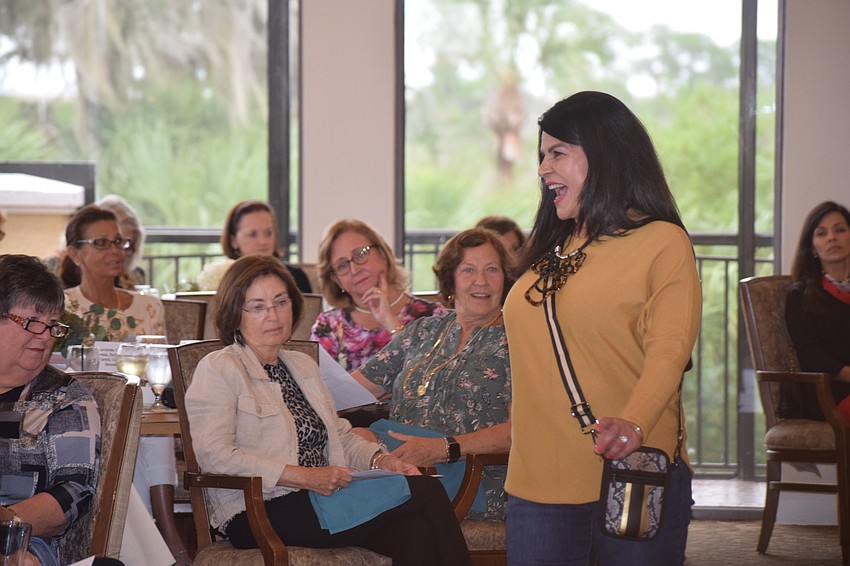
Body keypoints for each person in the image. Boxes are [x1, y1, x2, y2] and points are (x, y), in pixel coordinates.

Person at [502, 91, 702, 565]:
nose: (542, 168)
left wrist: (634, 421)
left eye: (558, 153)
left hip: (632, 470)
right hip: (536, 479)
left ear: (606, 153)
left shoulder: (662, 242)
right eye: (541, 155)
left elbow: (670, 349)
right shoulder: (548, 250)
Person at [184, 254, 471, 565]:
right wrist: (304, 477)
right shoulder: (220, 367)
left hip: (321, 499)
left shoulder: (302, 365)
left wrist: (381, 459)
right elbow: (214, 454)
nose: (273, 315)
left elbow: (340, 437)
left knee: (414, 532)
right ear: (234, 314)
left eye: (281, 302)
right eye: (257, 307)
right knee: (425, 492)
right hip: (258, 510)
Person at [350, 227, 514, 520]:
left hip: (466, 472)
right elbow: (352, 392)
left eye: (492, 269)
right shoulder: (423, 331)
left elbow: (521, 431)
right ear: (450, 279)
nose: (481, 281)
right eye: (468, 270)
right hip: (397, 461)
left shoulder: (518, 340)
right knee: (350, 438)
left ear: (505, 278)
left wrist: (443, 449)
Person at [59, 204, 190, 565]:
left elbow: (160, 368)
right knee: (139, 428)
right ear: (75, 253)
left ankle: (164, 530)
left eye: (119, 242)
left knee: (151, 424)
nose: (115, 251)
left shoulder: (148, 307)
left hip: (143, 410)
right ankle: (162, 539)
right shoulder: (64, 305)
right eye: (102, 243)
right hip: (88, 412)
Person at [0, 254, 101, 566]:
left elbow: (72, 493)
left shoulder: (64, 399)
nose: (44, 336)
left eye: (52, 325)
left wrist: (5, 525)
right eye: (31, 322)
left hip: (25, 544)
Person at [311, 218, 448, 373]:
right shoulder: (328, 326)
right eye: (342, 265)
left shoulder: (434, 316)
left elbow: (435, 379)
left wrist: (390, 322)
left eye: (360, 254)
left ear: (383, 254)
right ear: (336, 280)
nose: (355, 269)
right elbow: (317, 391)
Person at [785, 201, 850, 421]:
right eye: (821, 233)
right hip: (827, 393)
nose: (832, 237)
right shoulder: (800, 295)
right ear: (812, 246)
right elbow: (810, 356)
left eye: (840, 230)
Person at [197, 199, 312, 293]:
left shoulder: (296, 277)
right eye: (252, 234)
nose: (263, 241)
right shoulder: (221, 277)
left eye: (268, 233)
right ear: (233, 241)